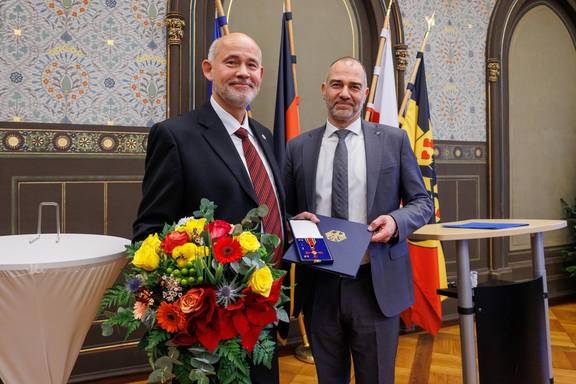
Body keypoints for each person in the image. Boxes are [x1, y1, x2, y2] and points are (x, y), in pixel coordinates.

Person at [133, 32, 285, 384]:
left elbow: (265, 208)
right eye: (232, 62)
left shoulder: (265, 137)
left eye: (251, 65)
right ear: (208, 69)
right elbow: (150, 231)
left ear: (261, 74)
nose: (243, 72)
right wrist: (185, 304)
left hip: (265, 312)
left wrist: (294, 223)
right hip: (207, 326)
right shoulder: (175, 135)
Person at [283, 57, 433, 383]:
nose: (344, 93)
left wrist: (395, 222)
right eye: (337, 84)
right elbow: (284, 210)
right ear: (324, 90)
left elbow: (423, 203)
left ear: (365, 93)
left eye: (353, 86)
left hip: (374, 285)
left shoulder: (393, 141)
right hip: (319, 286)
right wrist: (294, 221)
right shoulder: (297, 148)